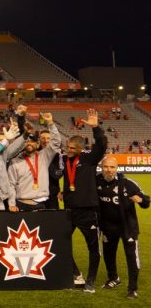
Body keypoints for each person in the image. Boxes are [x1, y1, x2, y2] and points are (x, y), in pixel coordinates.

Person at [61, 109, 107, 293]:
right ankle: (76, 275)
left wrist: (96, 128)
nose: (69, 150)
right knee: (60, 243)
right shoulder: (64, 160)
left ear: (80, 149)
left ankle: (90, 281)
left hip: (88, 211)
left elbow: (102, 147)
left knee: (93, 248)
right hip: (69, 211)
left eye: (73, 148)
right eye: (68, 147)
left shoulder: (89, 159)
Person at [97, 156, 149, 299]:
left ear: (117, 168)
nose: (109, 170)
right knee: (108, 255)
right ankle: (114, 279)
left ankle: (132, 288)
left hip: (128, 228)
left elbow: (146, 200)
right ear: (102, 167)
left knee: (132, 258)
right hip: (108, 227)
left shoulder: (127, 183)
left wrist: (141, 200)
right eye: (106, 167)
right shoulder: (96, 181)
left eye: (112, 167)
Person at [7, 113, 60, 213]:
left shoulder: (44, 156)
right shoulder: (15, 161)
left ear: (38, 144)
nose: (29, 144)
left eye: (33, 142)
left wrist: (51, 123)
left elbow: (56, 142)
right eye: (27, 141)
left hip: (42, 204)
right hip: (21, 204)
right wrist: (12, 203)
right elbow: (11, 185)